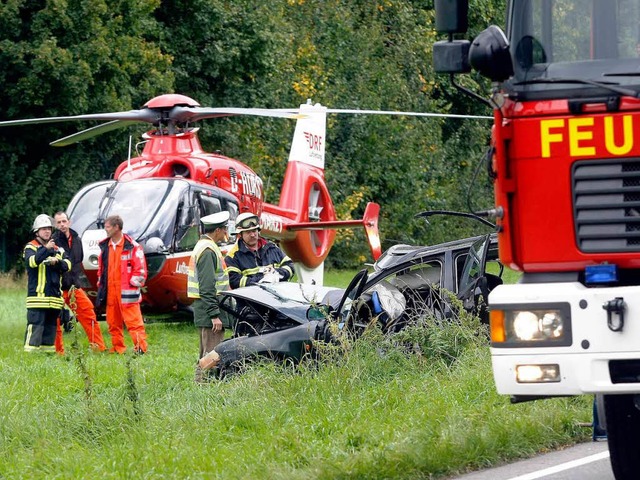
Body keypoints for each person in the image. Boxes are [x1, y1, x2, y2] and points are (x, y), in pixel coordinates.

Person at [52, 211, 106, 353]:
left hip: (74, 285)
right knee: (55, 319)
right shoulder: (53, 242)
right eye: (59, 222)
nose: (62, 225)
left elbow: (78, 261)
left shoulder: (77, 239)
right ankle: (59, 351)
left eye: (64, 221)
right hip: (58, 288)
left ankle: (98, 347)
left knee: (88, 313)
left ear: (69, 222)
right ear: (55, 225)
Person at [187, 211, 231, 383]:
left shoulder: (204, 246)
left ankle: (201, 384)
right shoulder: (207, 250)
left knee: (207, 351)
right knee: (212, 353)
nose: (226, 232)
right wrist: (214, 314)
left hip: (205, 307)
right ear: (218, 230)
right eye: (225, 229)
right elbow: (206, 286)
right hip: (210, 309)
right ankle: (205, 385)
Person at [95, 215, 148, 354]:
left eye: (107, 227)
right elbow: (102, 269)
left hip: (127, 293)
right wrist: (101, 283)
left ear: (116, 227)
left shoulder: (133, 247)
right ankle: (118, 348)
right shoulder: (105, 247)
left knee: (134, 322)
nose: (105, 230)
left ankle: (140, 348)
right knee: (113, 323)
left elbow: (141, 270)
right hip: (111, 292)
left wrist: (132, 285)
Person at [23, 214, 72, 352]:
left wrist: (57, 262)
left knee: (51, 328)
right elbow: (32, 262)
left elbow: (68, 265)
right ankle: (30, 356)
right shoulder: (30, 247)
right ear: (36, 232)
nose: (47, 231)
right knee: (35, 326)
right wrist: (46, 250)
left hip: (54, 299)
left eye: (49, 229)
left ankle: (47, 355)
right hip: (38, 298)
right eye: (43, 229)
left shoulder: (58, 249)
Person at [224, 212, 294, 288]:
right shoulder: (233, 256)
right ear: (240, 235)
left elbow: (290, 265)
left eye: (254, 231)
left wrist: (277, 274)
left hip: (275, 299)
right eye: (248, 232)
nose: (252, 235)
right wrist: (261, 281)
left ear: (258, 231)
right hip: (251, 299)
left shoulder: (272, 248)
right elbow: (234, 281)